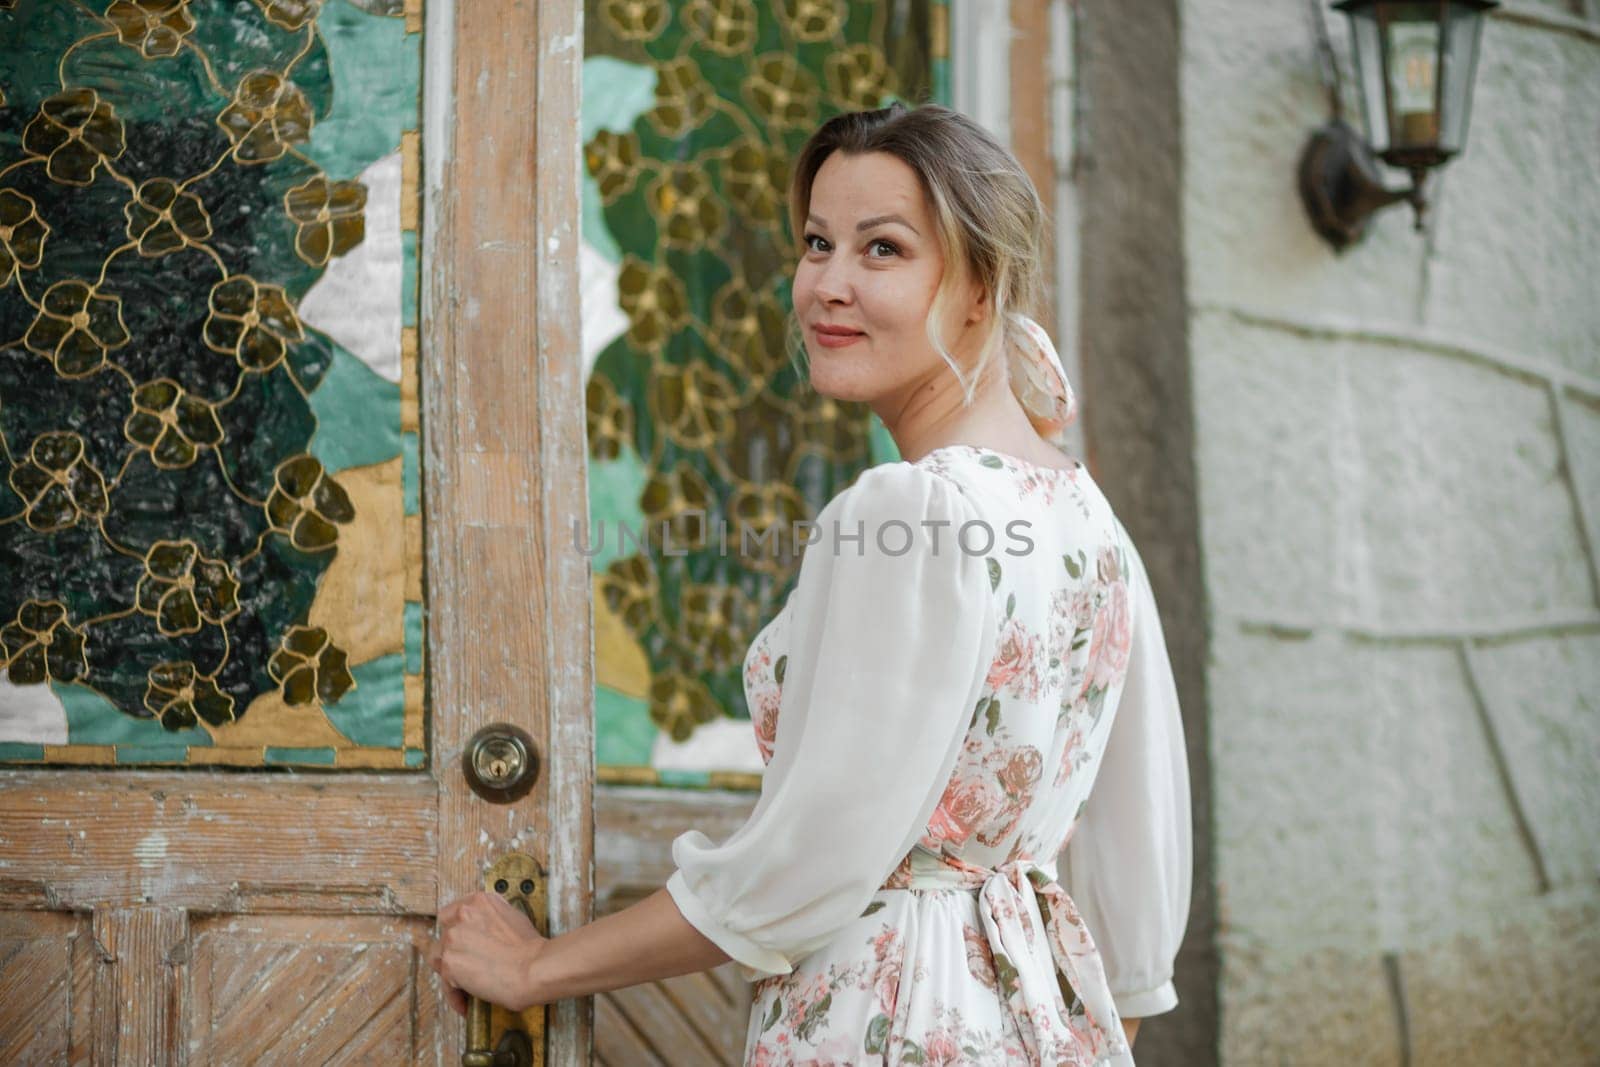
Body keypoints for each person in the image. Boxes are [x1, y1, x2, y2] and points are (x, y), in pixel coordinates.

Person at [430, 102, 1192, 1066]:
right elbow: (1141, 876)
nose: (828, 284)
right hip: (1045, 1022)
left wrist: (536, 969)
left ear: (980, 285)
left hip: (885, 1019)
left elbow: (804, 867)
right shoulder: (1087, 516)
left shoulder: (906, 510)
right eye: (818, 242)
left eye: (882, 250)